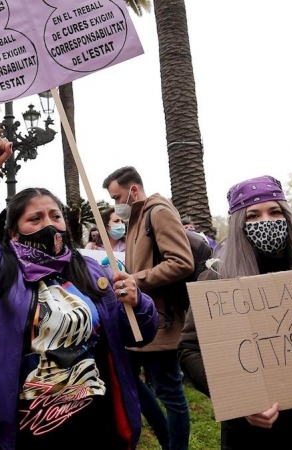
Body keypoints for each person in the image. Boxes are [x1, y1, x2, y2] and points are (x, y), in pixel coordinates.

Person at [0, 136, 158, 450]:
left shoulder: (93, 271)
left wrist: (139, 302)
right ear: (13, 231)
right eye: (35, 219)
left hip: (97, 426)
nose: (49, 225)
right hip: (25, 431)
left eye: (55, 216)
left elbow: (139, 334)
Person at [178, 175, 292, 449]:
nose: (266, 221)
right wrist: (241, 399)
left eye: (275, 211)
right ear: (239, 225)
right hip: (247, 432)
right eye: (253, 215)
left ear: (288, 216)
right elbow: (190, 349)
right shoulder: (217, 278)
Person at [104, 166, 194, 450]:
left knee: (171, 393)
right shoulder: (136, 219)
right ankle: (166, 437)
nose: (116, 204)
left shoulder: (158, 212)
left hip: (161, 322)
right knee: (126, 377)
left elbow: (182, 261)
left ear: (133, 190)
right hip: (139, 319)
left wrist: (136, 280)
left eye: (117, 196)